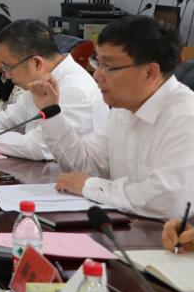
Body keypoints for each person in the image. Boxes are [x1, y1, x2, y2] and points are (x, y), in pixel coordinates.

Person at [29, 16, 194, 219]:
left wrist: (90, 186)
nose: (97, 75)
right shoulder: (122, 109)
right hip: (128, 228)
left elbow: (170, 200)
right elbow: (83, 166)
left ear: (150, 73)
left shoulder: (185, 117)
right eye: (97, 62)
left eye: (109, 66)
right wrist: (51, 111)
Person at [0, 19, 108, 161]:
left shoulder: (74, 88)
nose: (7, 75)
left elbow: (42, 147)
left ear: (36, 63)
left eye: (8, 67)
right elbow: (11, 118)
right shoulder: (42, 78)